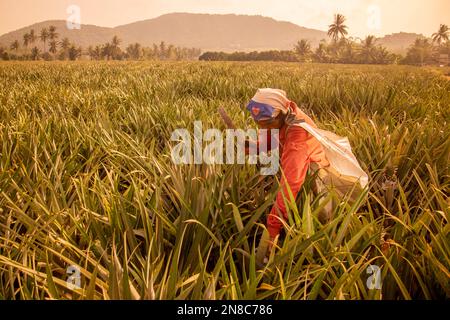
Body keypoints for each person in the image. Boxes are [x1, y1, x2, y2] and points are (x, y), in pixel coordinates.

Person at [245, 88, 332, 255]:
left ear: (282, 114)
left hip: (313, 173)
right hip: (296, 166)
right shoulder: (283, 117)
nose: (264, 128)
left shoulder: (297, 134)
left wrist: (273, 226)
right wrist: (257, 146)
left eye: (267, 124)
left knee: (315, 217)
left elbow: (291, 183)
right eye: (259, 124)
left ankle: (316, 253)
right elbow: (274, 135)